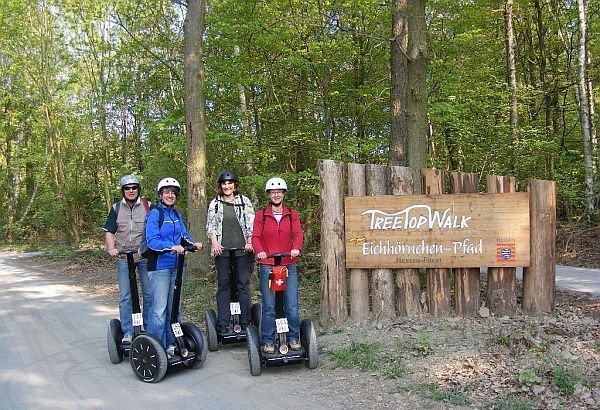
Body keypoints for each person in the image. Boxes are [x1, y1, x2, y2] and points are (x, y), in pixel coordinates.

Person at [145, 177, 202, 355]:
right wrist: (171, 247)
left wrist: (193, 245)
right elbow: (152, 241)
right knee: (160, 310)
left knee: (174, 308)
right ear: (160, 194)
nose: (170, 195)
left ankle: (172, 343)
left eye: (173, 193)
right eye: (167, 192)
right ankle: (158, 348)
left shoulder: (176, 215)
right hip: (160, 268)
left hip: (177, 267)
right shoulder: (155, 214)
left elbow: (183, 236)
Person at [252, 177, 303, 354]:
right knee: (270, 305)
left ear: (283, 194)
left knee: (291, 305)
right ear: (268, 194)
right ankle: (268, 340)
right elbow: (256, 237)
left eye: (279, 192)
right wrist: (259, 251)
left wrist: (296, 248)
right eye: (273, 192)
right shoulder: (261, 215)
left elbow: (297, 234)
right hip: (268, 264)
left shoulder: (292, 214)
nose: (276, 195)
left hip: (288, 264)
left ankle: (293, 337)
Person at [103, 174, 152, 344]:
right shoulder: (116, 208)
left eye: (134, 188)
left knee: (148, 293)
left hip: (144, 257)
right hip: (124, 257)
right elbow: (109, 231)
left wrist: (146, 246)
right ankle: (128, 332)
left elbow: (153, 230)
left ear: (138, 189)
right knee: (125, 296)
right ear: (123, 191)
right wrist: (112, 248)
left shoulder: (148, 206)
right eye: (127, 188)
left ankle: (148, 327)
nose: (131, 191)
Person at [206, 170, 255, 333]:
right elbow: (211, 225)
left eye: (230, 183)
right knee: (224, 285)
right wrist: (214, 243)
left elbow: (250, 223)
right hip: (223, 251)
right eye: (224, 184)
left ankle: (245, 320)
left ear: (235, 185)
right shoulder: (215, 203)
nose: (227, 186)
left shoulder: (244, 201)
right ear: (220, 186)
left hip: (243, 250)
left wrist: (249, 242)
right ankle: (223, 322)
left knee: (243, 285)